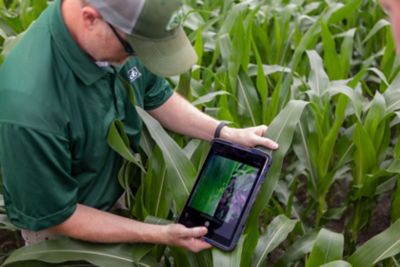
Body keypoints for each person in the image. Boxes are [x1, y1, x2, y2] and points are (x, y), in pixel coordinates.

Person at [0, 0, 279, 252]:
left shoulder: (117, 35)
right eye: (135, 49)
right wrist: (160, 234)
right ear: (90, 18)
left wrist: (224, 133)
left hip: (111, 192)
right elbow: (58, 216)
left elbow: (155, 95)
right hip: (61, 235)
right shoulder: (29, 108)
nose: (139, 59)